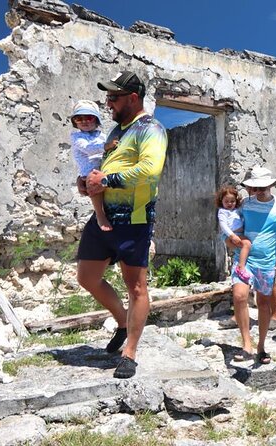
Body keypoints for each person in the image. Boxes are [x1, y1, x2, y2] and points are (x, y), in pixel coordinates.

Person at [76, 71, 168, 379]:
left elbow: (150, 170)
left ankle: (130, 352)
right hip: (104, 217)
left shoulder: (151, 128)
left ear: (132, 97)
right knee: (87, 277)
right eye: (107, 97)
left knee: (137, 287)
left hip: (135, 219)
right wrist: (89, 182)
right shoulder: (117, 130)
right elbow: (104, 167)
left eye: (113, 97)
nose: (108, 103)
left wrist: (108, 180)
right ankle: (122, 321)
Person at [230, 167, 276, 365]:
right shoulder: (245, 205)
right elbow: (232, 226)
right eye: (254, 188)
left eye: (262, 188)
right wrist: (231, 239)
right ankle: (246, 344)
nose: (258, 191)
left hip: (266, 262)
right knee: (239, 296)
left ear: (270, 186)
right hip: (244, 259)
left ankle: (261, 346)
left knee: (264, 304)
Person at [70, 100, 112, 231]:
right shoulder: (76, 137)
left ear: (96, 120)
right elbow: (88, 148)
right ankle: (100, 215)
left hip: (102, 167)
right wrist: (105, 146)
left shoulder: (103, 135)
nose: (84, 121)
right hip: (88, 169)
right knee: (94, 186)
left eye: (88, 117)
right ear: (75, 122)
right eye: (79, 118)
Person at [216, 186, 252, 283]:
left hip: (238, 233)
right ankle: (240, 267)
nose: (229, 204)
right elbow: (223, 225)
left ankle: (241, 265)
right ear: (221, 201)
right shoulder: (222, 212)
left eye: (232, 201)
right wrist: (232, 235)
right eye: (226, 201)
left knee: (243, 248)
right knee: (247, 244)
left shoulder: (236, 210)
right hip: (231, 234)